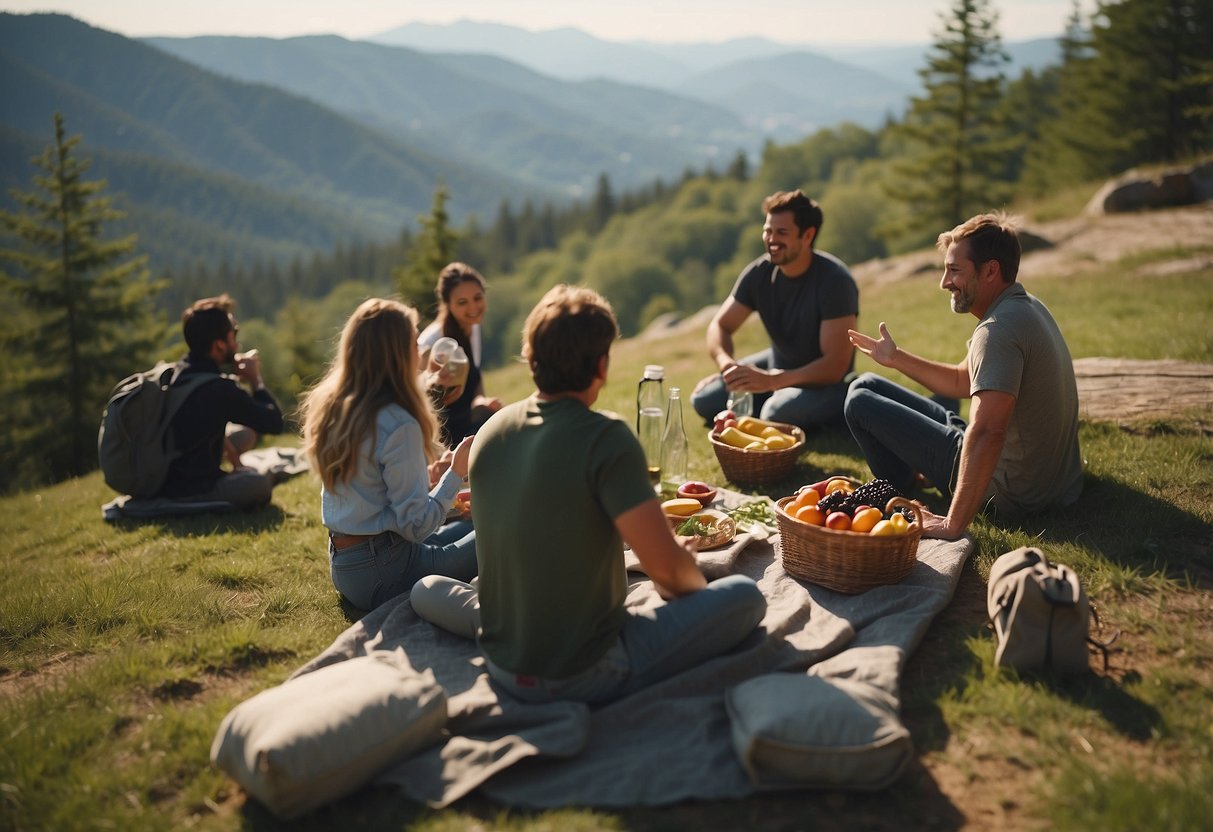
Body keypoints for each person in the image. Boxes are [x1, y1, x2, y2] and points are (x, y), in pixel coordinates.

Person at [412, 285, 766, 704]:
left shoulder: (490, 431)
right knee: (745, 598)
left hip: (502, 659)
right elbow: (671, 581)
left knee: (426, 588)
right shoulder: (606, 438)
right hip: (582, 670)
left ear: (530, 357)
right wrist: (682, 564)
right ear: (601, 366)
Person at [844, 212, 1083, 540]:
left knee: (859, 403)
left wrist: (952, 525)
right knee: (866, 384)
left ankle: (904, 494)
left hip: (1010, 493)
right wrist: (895, 358)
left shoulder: (998, 330)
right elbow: (961, 381)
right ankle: (917, 475)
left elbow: (988, 432)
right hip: (1048, 483)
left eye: (954, 270)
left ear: (990, 271)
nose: (944, 282)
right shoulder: (1024, 307)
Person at [300, 298, 477, 612]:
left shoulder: (339, 408)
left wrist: (427, 481)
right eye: (414, 342)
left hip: (349, 568)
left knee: (476, 521)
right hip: (386, 571)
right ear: (396, 353)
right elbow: (417, 527)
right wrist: (455, 473)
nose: (420, 352)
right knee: (502, 528)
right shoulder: (398, 423)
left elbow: (371, 491)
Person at [691, 189, 858, 431]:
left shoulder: (835, 282)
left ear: (808, 235)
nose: (771, 239)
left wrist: (773, 380)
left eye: (781, 232)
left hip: (826, 384)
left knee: (774, 412)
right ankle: (770, 402)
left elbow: (834, 366)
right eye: (768, 231)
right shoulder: (759, 273)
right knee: (704, 400)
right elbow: (720, 325)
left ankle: (837, 409)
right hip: (776, 367)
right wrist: (727, 365)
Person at [160, 294, 284, 509]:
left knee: (245, 434)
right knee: (259, 485)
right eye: (233, 335)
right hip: (192, 488)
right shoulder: (218, 389)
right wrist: (256, 380)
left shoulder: (181, 371)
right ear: (218, 346)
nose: (237, 343)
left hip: (169, 468)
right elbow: (274, 422)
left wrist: (236, 462)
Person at [417, 262, 503, 447]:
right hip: (442, 439)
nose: (473, 308)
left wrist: (481, 401)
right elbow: (419, 402)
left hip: (468, 426)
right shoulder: (431, 343)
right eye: (462, 302)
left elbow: (475, 376)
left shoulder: (473, 327)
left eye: (477, 298)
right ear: (447, 304)